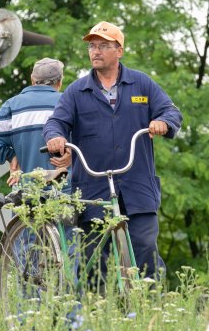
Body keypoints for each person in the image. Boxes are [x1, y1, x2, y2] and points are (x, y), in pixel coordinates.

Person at [43, 21, 182, 280]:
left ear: (119, 51)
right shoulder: (76, 91)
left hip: (137, 185)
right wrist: (56, 137)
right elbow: (56, 122)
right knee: (94, 260)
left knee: (146, 250)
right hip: (92, 189)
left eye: (103, 46)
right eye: (92, 46)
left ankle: (147, 307)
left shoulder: (141, 84)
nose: (95, 51)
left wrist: (164, 122)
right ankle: (97, 312)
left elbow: (171, 111)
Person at [0, 57, 72, 188]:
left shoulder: (13, 105)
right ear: (59, 82)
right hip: (65, 193)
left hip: (26, 194)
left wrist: (10, 155)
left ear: (32, 80)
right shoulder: (68, 102)